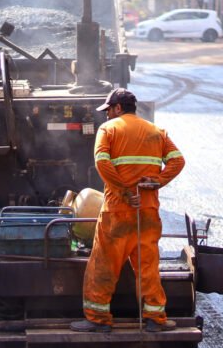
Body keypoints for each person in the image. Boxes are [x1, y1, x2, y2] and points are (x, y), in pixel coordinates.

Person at [71, 88, 185, 333]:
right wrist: (157, 181)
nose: (106, 115)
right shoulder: (157, 132)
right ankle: (155, 319)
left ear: (118, 108)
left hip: (117, 211)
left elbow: (102, 162)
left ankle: (98, 319)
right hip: (148, 211)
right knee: (148, 266)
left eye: (108, 110)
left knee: (104, 264)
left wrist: (124, 191)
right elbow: (178, 161)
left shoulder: (108, 129)